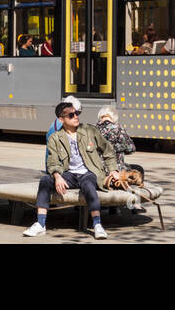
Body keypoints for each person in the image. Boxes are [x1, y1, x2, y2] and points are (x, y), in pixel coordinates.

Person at [24, 100, 118, 238]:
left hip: (88, 172)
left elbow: (108, 151)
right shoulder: (54, 138)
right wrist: (57, 176)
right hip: (69, 175)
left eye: (76, 113)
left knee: (88, 184)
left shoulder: (90, 130)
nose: (76, 117)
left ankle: (97, 225)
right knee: (45, 181)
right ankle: (40, 224)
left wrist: (113, 170)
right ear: (61, 119)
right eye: (71, 115)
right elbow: (52, 161)